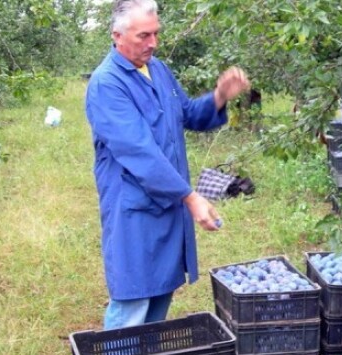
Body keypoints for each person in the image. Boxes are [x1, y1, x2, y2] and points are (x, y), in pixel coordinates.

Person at [85, 0, 250, 330]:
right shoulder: (107, 84)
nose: (153, 43)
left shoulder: (157, 70)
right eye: (143, 36)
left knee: (160, 291)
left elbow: (187, 113)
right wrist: (190, 196)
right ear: (117, 35)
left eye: (156, 34)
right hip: (133, 208)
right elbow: (139, 152)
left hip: (166, 203)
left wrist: (219, 96)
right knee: (133, 297)